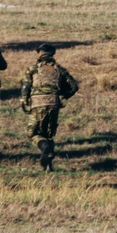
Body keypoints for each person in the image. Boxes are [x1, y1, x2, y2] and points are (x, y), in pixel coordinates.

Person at [20, 43, 79, 172]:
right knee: (48, 134)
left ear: (39, 53)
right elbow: (74, 86)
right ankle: (48, 165)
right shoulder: (60, 70)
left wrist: (24, 100)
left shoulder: (33, 69)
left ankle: (44, 148)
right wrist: (64, 96)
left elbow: (25, 86)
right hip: (54, 104)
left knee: (33, 133)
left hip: (37, 104)